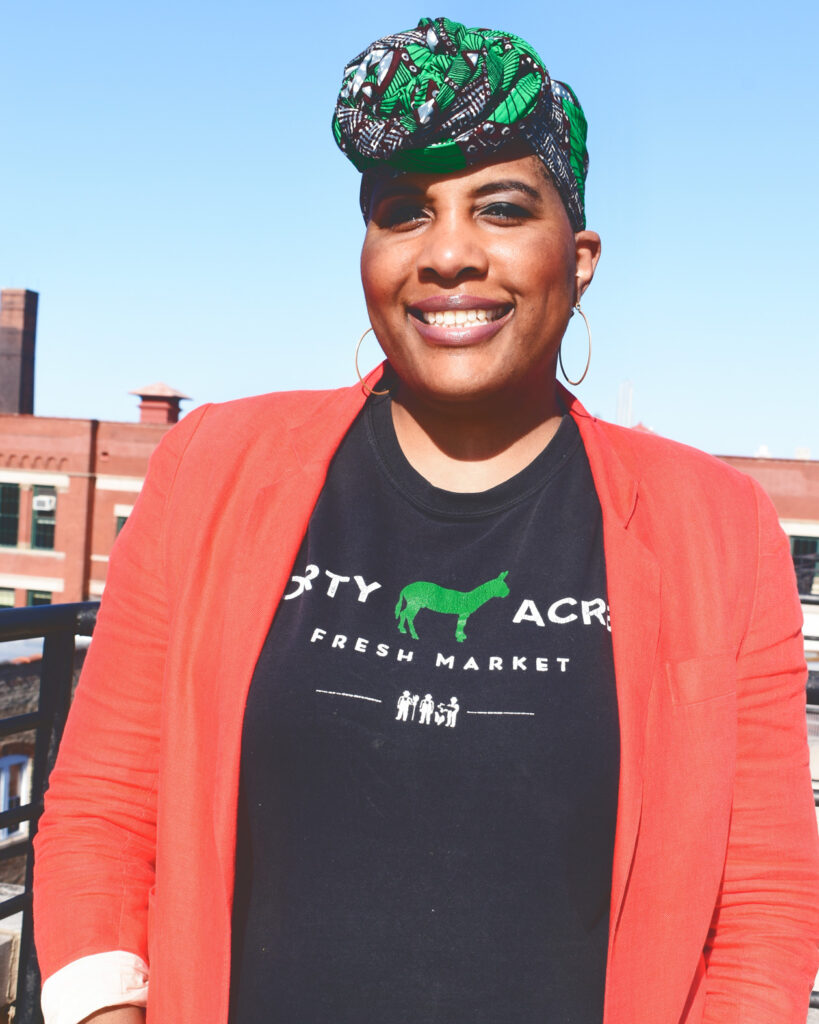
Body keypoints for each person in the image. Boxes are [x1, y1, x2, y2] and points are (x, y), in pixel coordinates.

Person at [33, 15, 819, 1024]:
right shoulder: (210, 471)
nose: (448, 254)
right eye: (404, 212)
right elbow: (102, 811)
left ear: (578, 258)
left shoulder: (718, 529)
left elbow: (759, 906)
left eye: (499, 208)